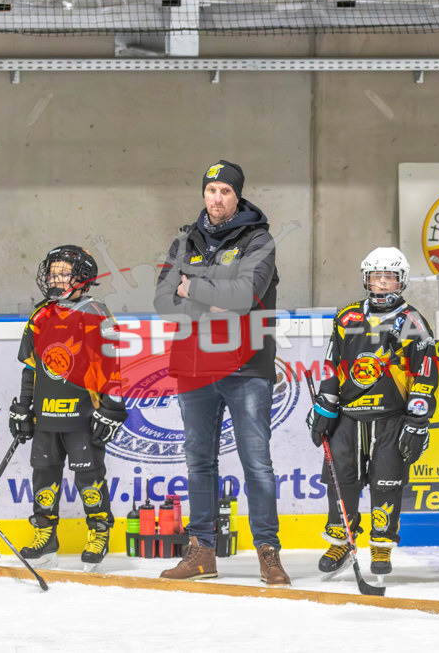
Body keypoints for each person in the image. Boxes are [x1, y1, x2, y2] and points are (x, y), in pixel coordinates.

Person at [154, 160, 289, 586]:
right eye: (211, 190)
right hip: (194, 365)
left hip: (246, 365)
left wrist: (191, 286)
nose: (217, 198)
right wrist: (214, 299)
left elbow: (244, 295)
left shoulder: (260, 240)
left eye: (225, 191)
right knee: (199, 462)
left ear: (238, 196)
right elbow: (161, 300)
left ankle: (268, 552)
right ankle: (202, 553)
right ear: (203, 195)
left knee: (257, 463)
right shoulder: (183, 240)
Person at [306, 247, 437, 578]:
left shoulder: (413, 322)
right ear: (366, 279)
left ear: (401, 281)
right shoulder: (348, 316)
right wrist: (325, 406)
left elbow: (425, 372)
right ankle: (341, 541)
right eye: (376, 276)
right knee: (341, 482)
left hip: (390, 416)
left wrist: (418, 421)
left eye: (389, 277)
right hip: (347, 417)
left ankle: (381, 544)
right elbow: (331, 364)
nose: (382, 283)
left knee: (386, 482)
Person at [9, 245, 126, 571]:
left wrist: (112, 406)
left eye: (64, 273)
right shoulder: (41, 315)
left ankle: (98, 532)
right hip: (46, 416)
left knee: (89, 477)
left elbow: (112, 366)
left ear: (84, 278)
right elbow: (31, 367)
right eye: (53, 272)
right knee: (43, 475)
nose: (55, 278)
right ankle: (45, 535)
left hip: (83, 417)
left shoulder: (96, 312)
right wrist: (23, 405)